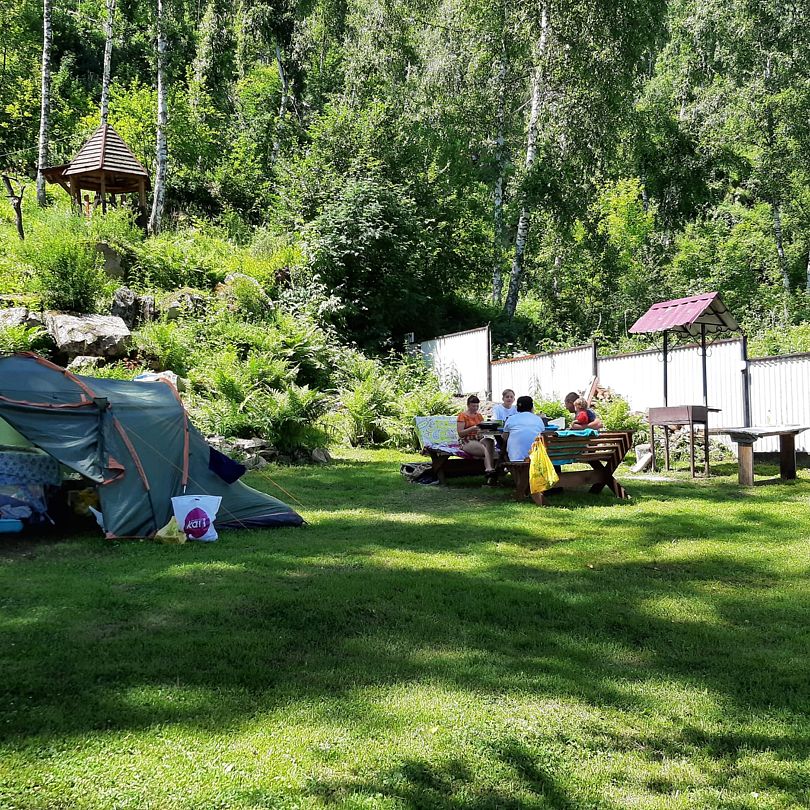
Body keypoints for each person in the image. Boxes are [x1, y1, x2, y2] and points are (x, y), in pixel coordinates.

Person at [456, 395, 499, 482]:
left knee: (490, 442)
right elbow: (460, 433)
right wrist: (472, 428)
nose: (475, 408)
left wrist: (485, 429)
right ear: (468, 405)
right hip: (467, 440)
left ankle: (491, 471)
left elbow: (482, 429)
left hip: (479, 438)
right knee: (484, 448)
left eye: (477, 406)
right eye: (473, 406)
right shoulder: (462, 416)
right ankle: (489, 469)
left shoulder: (479, 416)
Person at [502, 395, 545, 461]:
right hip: (536, 460)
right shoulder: (538, 419)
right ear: (532, 407)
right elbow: (542, 435)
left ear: (517, 407)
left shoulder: (511, 419)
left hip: (514, 459)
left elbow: (505, 438)